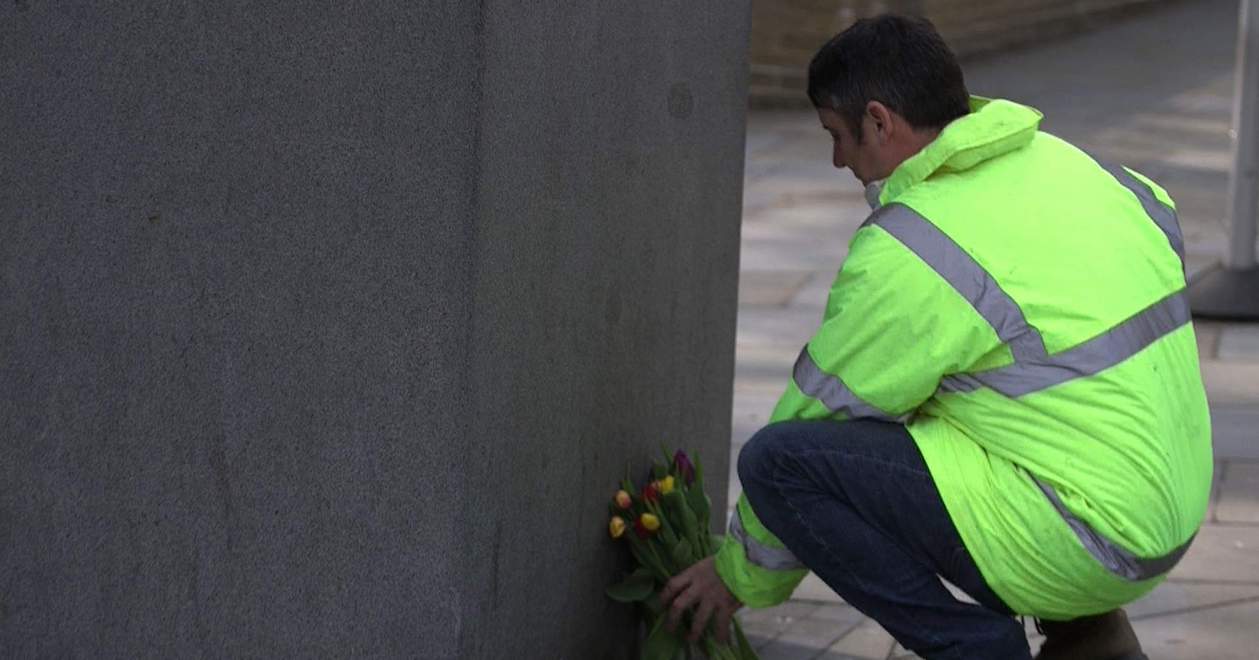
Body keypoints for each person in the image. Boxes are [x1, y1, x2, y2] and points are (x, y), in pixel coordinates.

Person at [658, 14, 1212, 660]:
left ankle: (975, 648)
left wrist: (737, 576)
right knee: (986, 406)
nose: (837, 159)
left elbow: (823, 409)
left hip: (1086, 536)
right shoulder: (1084, 170)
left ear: (878, 120)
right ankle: (1090, 634)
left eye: (836, 136)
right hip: (1165, 515)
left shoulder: (916, 248)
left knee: (780, 462)